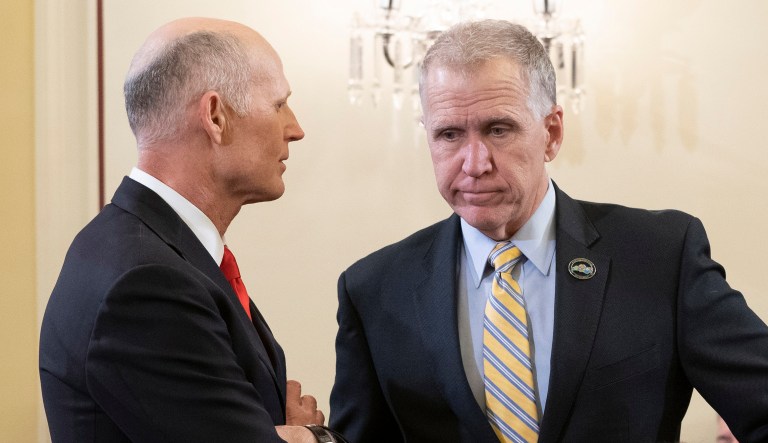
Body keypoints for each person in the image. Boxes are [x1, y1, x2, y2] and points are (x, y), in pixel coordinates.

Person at [329, 19, 768, 442]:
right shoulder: (374, 289)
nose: (474, 162)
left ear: (552, 133)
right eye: (449, 135)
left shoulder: (661, 255)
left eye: (498, 129)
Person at [40, 17, 343, 443]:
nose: (295, 128)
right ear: (216, 116)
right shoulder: (147, 282)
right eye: (278, 104)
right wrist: (316, 435)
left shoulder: (134, 247)